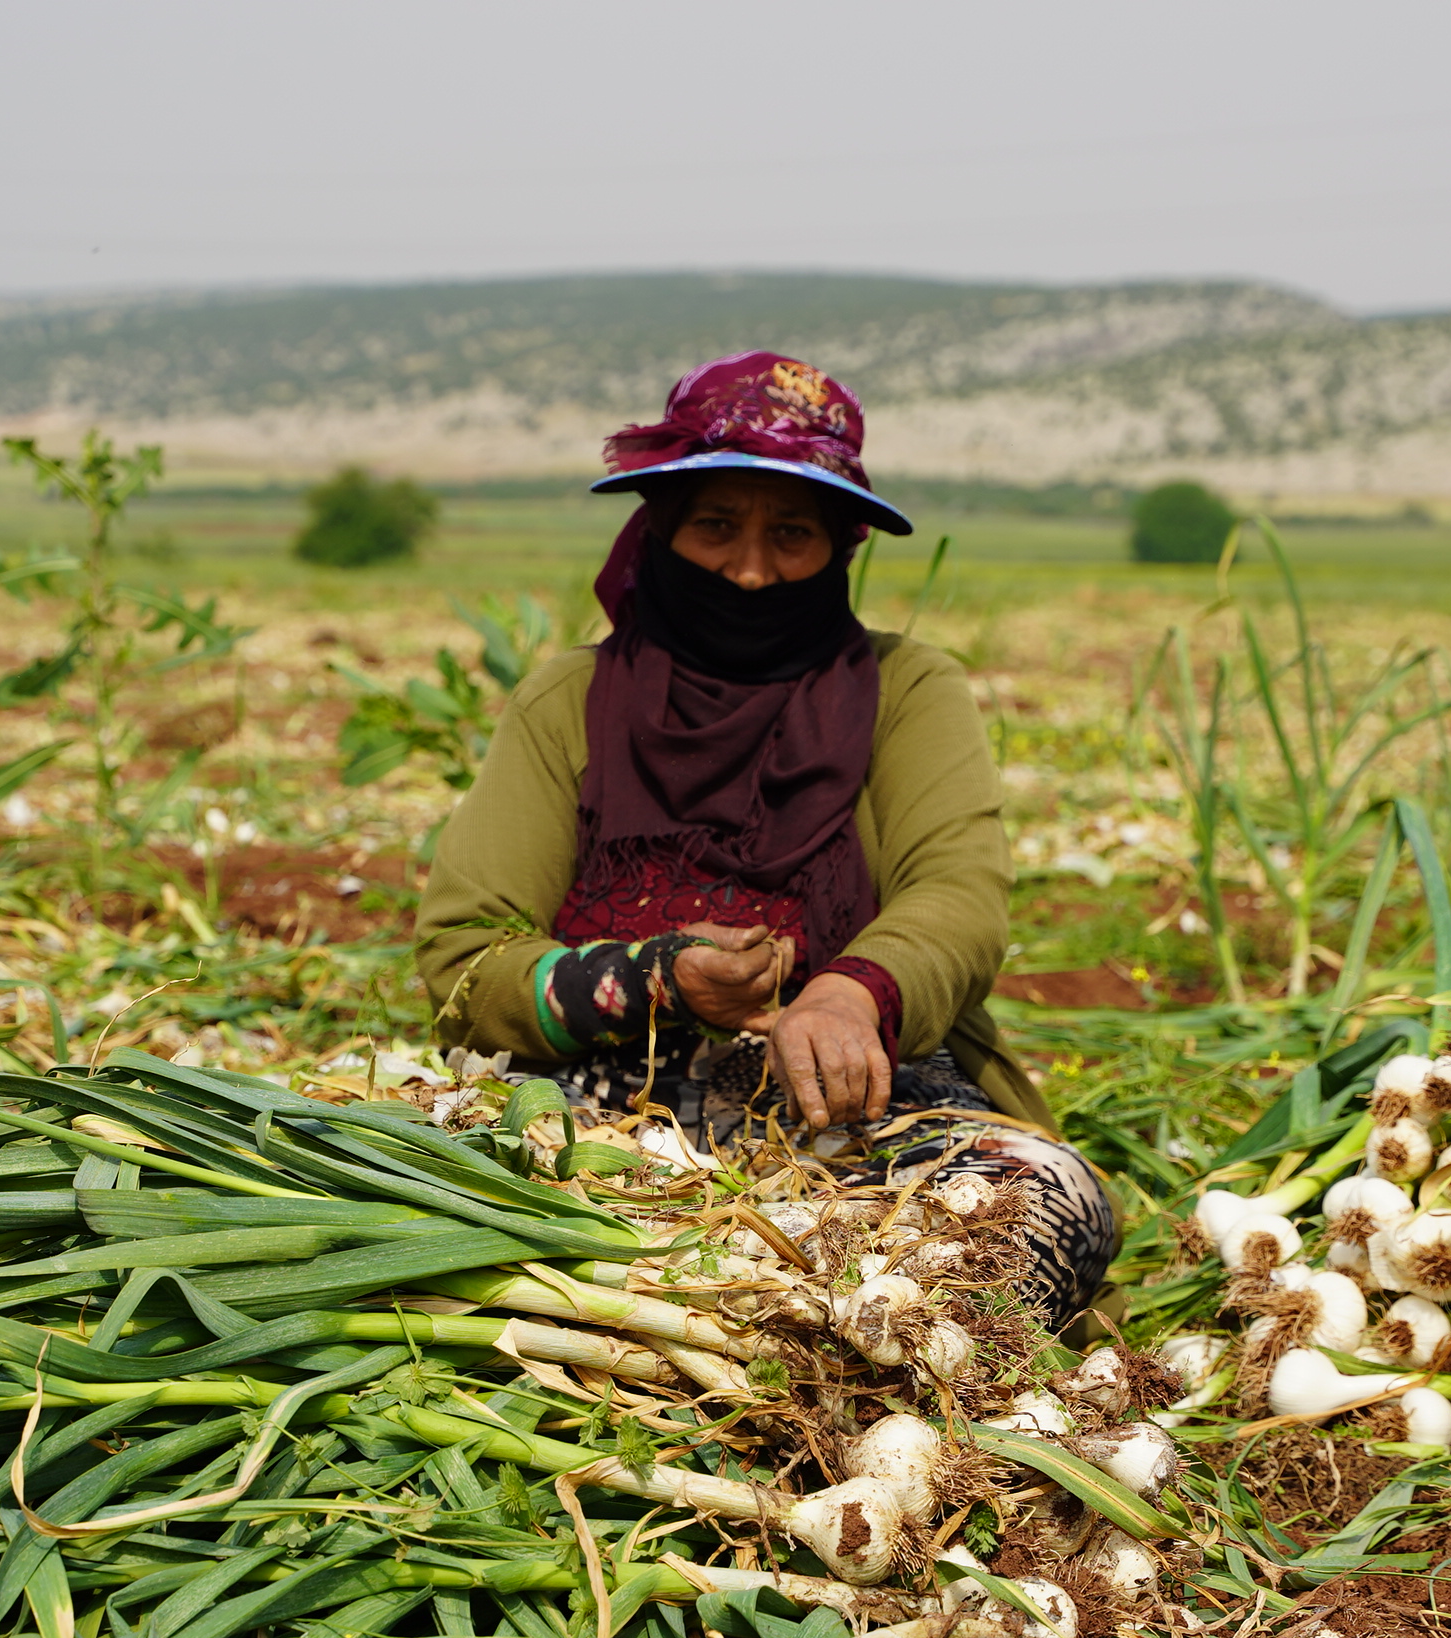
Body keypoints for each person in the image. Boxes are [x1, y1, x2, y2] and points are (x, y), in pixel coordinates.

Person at [414, 351, 1118, 1326]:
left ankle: (807, 1334)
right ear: (660, 528)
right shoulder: (568, 700)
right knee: (451, 1214)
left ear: (840, 546)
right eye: (715, 526)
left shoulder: (907, 689)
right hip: (591, 1115)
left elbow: (958, 894)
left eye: (791, 533)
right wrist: (657, 975)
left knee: (1044, 1203)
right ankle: (767, 1335)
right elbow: (465, 950)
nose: (749, 571)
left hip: (851, 1106)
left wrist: (848, 992)